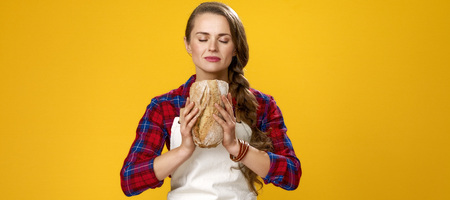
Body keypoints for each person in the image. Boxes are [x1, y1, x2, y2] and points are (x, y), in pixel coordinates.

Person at [120, 2, 301, 199]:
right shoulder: (165, 106)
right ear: (188, 44)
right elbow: (130, 180)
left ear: (235, 48)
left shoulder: (262, 105)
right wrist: (184, 150)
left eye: (223, 40)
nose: (212, 47)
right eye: (203, 39)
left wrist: (236, 147)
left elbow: (291, 176)